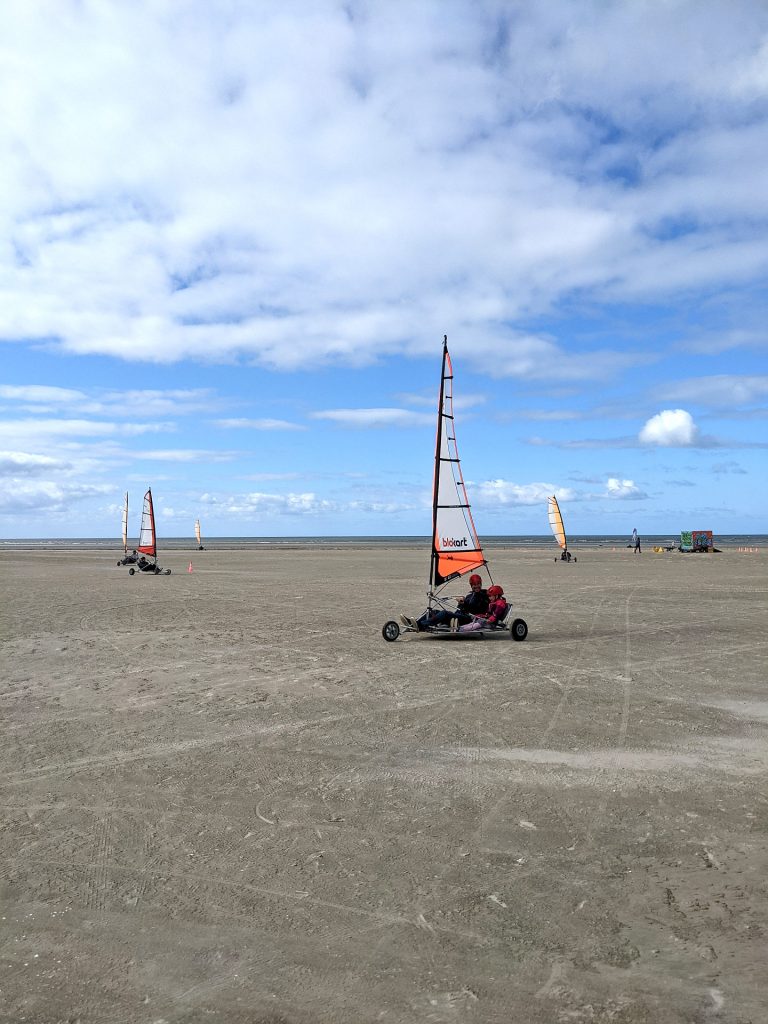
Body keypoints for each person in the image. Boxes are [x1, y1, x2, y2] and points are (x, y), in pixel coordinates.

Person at [401, 573, 489, 631]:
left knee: (444, 613)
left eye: (478, 584)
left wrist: (464, 603)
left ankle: (421, 625)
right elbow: (463, 607)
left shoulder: (484, 595)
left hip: (469, 619)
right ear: (471, 585)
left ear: (481, 584)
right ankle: (413, 623)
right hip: (459, 616)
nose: (477, 586)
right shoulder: (470, 595)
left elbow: (478, 607)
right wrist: (462, 603)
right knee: (434, 611)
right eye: (474, 585)